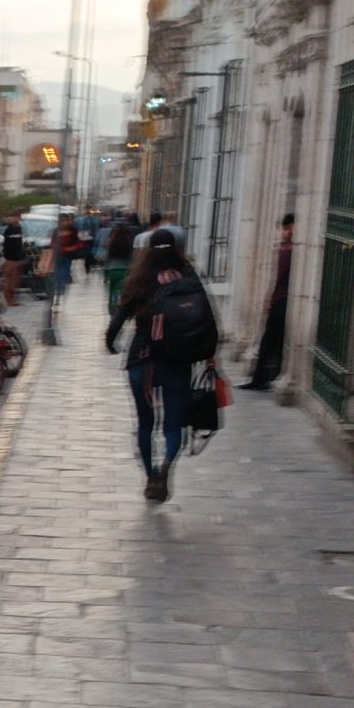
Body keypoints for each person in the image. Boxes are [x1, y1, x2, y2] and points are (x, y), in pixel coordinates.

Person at [106, 232, 217, 504]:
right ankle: (168, 463)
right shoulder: (188, 276)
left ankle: (150, 477)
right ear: (178, 249)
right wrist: (209, 353)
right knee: (173, 425)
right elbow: (208, 318)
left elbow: (118, 319)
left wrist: (110, 343)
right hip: (177, 362)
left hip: (142, 361)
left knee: (145, 423)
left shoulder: (139, 280)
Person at [245, 213, 296, 391]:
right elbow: (274, 278)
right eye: (284, 228)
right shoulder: (282, 251)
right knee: (271, 341)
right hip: (278, 300)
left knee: (271, 341)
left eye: (288, 228)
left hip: (283, 301)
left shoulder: (292, 253)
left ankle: (262, 378)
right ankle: (262, 377)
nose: (285, 232)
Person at [102, 214, 137, 316]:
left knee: (112, 291)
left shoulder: (111, 243)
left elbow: (107, 258)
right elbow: (132, 258)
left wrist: (105, 273)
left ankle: (112, 309)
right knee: (124, 292)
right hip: (125, 270)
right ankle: (122, 310)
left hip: (112, 270)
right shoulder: (129, 242)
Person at [0, 217, 25, 308]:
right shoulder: (8, 230)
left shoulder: (19, 229)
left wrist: (21, 257)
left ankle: (13, 298)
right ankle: (9, 299)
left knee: (16, 280)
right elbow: (7, 245)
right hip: (10, 258)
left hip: (18, 258)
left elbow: (20, 244)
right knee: (10, 279)